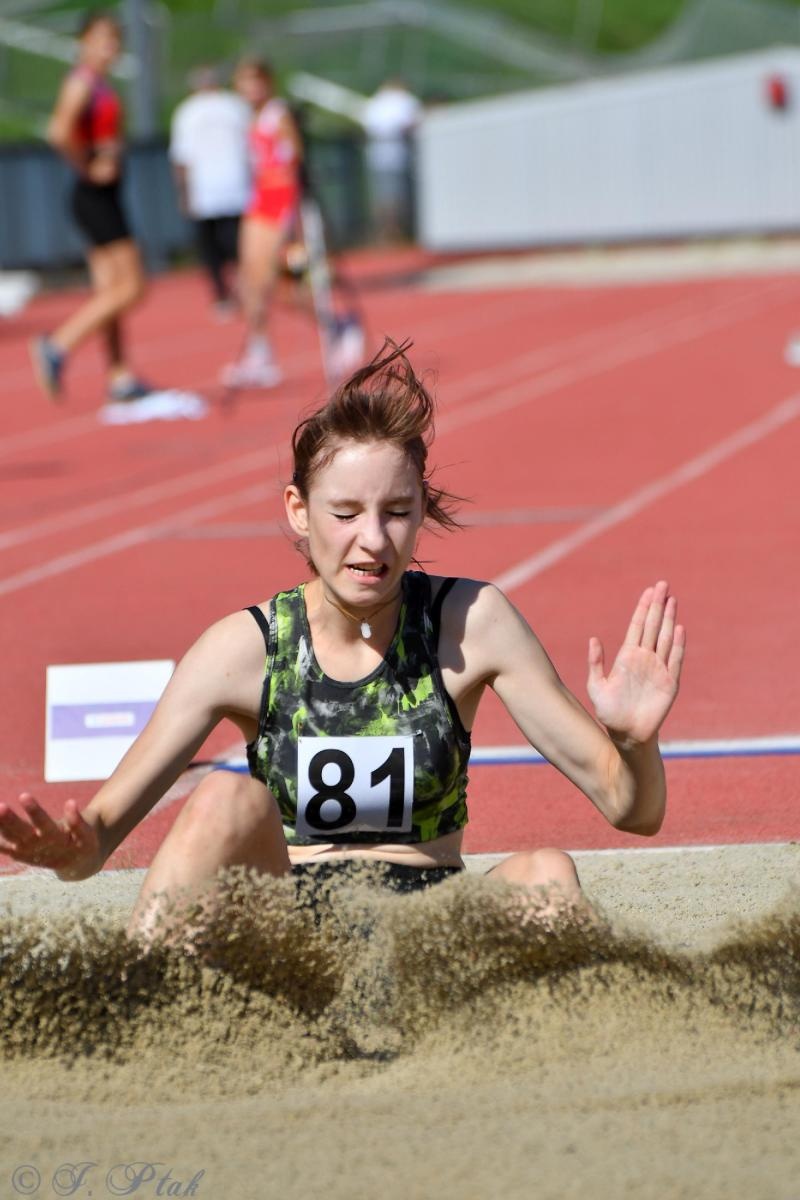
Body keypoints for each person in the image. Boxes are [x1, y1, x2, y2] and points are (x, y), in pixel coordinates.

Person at [0, 340, 685, 945]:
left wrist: (632, 741)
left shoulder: (470, 622)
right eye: (346, 513)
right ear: (299, 512)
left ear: (421, 512)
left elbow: (633, 810)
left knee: (546, 873)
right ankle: (132, 1010)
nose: (373, 541)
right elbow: (96, 843)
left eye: (396, 512)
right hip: (292, 940)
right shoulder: (243, 649)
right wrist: (69, 847)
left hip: (433, 933)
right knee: (222, 799)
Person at [29, 11, 149, 406]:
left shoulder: (99, 83)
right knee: (131, 287)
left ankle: (119, 375)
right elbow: (58, 131)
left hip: (102, 195)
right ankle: (57, 346)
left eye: (114, 40)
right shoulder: (81, 81)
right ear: (83, 41)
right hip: (94, 196)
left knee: (109, 291)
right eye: (101, 39)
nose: (109, 47)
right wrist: (87, 165)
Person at [220, 58, 303, 390]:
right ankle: (260, 351)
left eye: (255, 81)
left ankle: (338, 326)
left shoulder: (277, 114)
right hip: (258, 200)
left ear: (267, 82)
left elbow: (294, 157)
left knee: (276, 284)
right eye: (243, 82)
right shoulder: (248, 118)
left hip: (278, 198)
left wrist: (291, 214)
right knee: (248, 279)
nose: (249, 88)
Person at [169, 65, 251, 320]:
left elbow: (181, 159)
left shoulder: (187, 111)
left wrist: (183, 193)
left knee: (214, 247)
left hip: (209, 189)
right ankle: (238, 288)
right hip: (231, 186)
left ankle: (225, 293)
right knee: (234, 243)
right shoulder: (234, 106)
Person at [361, 78, 421, 242]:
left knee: (383, 196)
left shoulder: (375, 102)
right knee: (398, 196)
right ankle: (396, 231)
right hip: (400, 156)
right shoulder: (405, 101)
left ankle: (387, 231)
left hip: (378, 157)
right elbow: (413, 123)